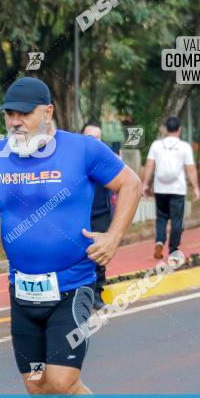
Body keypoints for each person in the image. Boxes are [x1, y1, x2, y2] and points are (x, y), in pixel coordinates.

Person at [0, 77, 142, 398]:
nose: (15, 121)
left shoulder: (83, 150)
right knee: (36, 385)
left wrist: (112, 237)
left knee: (61, 381)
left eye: (23, 114)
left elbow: (131, 184)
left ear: (47, 112)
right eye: (9, 114)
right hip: (23, 292)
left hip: (74, 286)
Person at [140, 116, 200, 259]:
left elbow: (149, 165)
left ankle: (159, 241)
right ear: (180, 129)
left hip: (160, 189)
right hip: (177, 189)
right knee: (176, 220)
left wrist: (145, 184)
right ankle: (173, 250)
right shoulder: (184, 147)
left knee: (161, 217)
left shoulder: (156, 145)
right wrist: (196, 187)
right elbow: (191, 169)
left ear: (166, 129)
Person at [82, 122, 113, 310]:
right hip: (79, 215)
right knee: (79, 254)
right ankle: (81, 293)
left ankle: (97, 293)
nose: (93, 142)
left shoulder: (109, 161)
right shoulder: (73, 161)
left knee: (100, 255)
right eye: (89, 137)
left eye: (97, 138)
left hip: (101, 213)